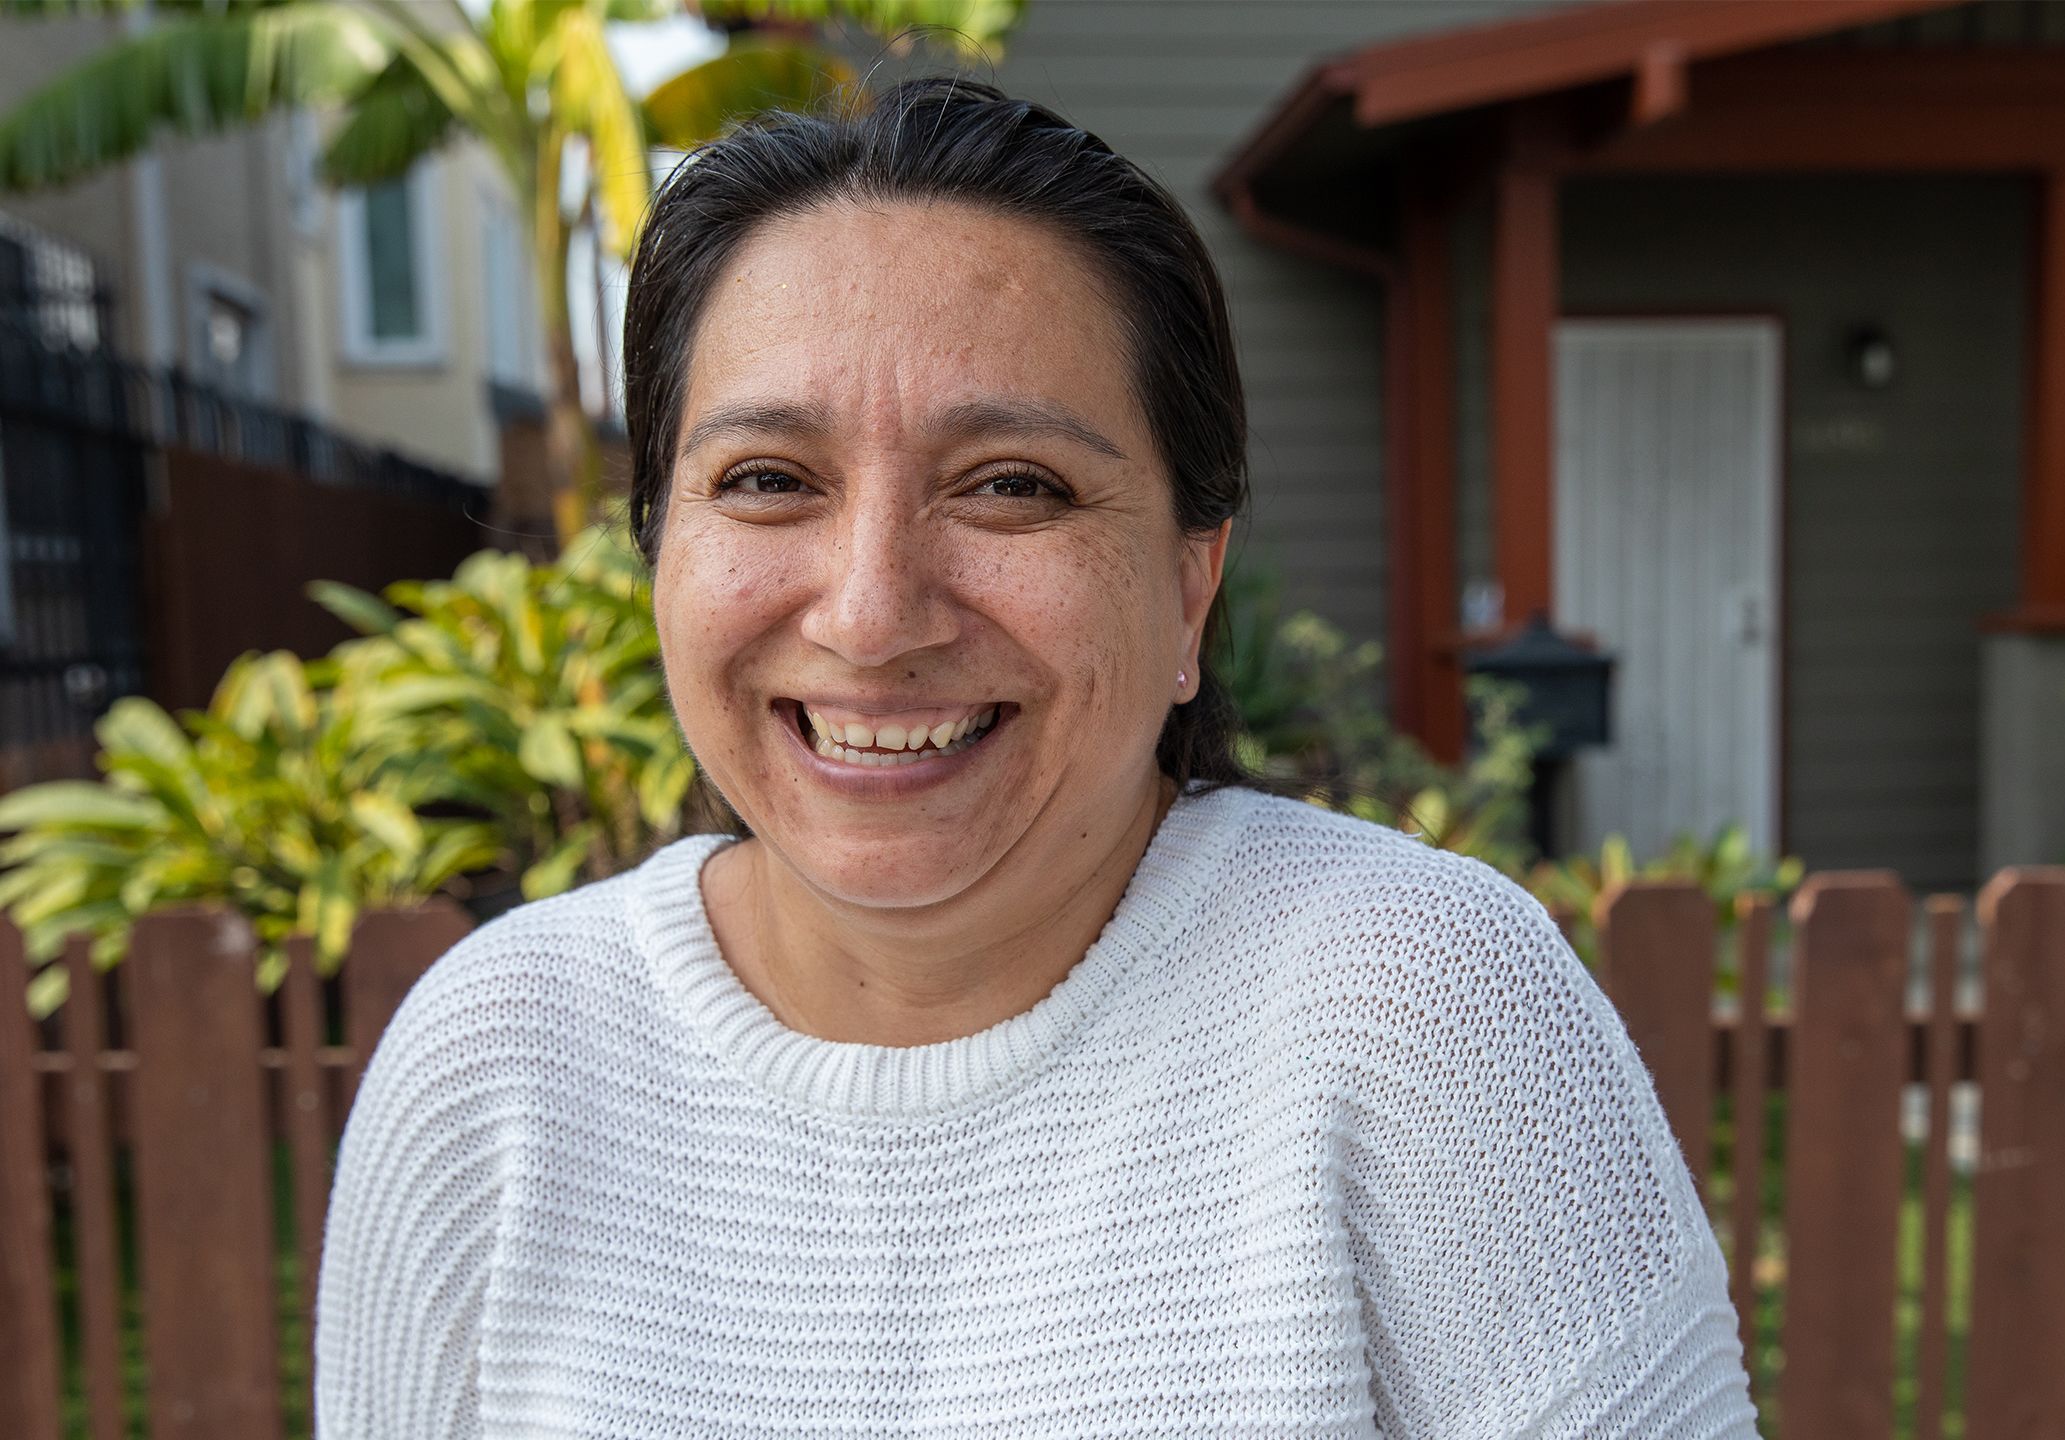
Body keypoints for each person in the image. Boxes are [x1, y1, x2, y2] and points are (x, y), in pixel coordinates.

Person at [313, 76, 1761, 1439]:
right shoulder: (491, 1069)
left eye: (1013, 485)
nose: (872, 615)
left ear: (1190, 586)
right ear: (659, 552)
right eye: (768, 481)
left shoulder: (1431, 1014)